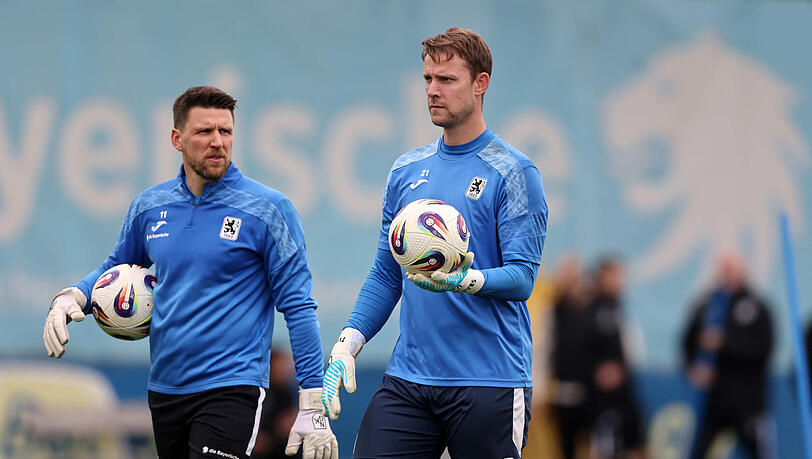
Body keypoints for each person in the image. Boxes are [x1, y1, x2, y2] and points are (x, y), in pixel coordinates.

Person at [42, 86, 337, 459]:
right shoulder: (150, 206)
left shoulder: (269, 210)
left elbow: (298, 306)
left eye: (225, 131)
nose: (217, 142)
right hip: (165, 390)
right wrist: (73, 296)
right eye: (204, 132)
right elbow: (114, 267)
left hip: (232, 388)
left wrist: (312, 402)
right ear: (177, 139)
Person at [321, 28, 548, 458]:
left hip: (489, 382)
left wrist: (462, 281)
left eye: (447, 80)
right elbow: (387, 273)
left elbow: (522, 278)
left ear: (480, 84)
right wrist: (347, 343)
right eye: (428, 79)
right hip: (410, 381)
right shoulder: (406, 170)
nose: (432, 91)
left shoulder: (515, 172)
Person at [682, 249, 774, 459]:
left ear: (743, 272)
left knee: (758, 452)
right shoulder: (706, 305)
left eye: (732, 269)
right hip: (713, 401)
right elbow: (687, 342)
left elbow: (763, 349)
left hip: (747, 401)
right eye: (723, 269)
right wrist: (693, 369)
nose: (727, 274)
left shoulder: (757, 307)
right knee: (697, 451)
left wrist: (726, 343)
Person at [584, 257, 645, 459]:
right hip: (604, 397)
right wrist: (598, 370)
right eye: (613, 275)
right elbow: (584, 349)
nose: (619, 281)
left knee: (638, 441)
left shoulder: (618, 306)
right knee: (607, 445)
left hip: (625, 390)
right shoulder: (593, 310)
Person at [548, 257, 593, 459]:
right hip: (561, 388)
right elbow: (548, 347)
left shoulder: (593, 311)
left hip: (588, 389)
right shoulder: (554, 309)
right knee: (563, 445)